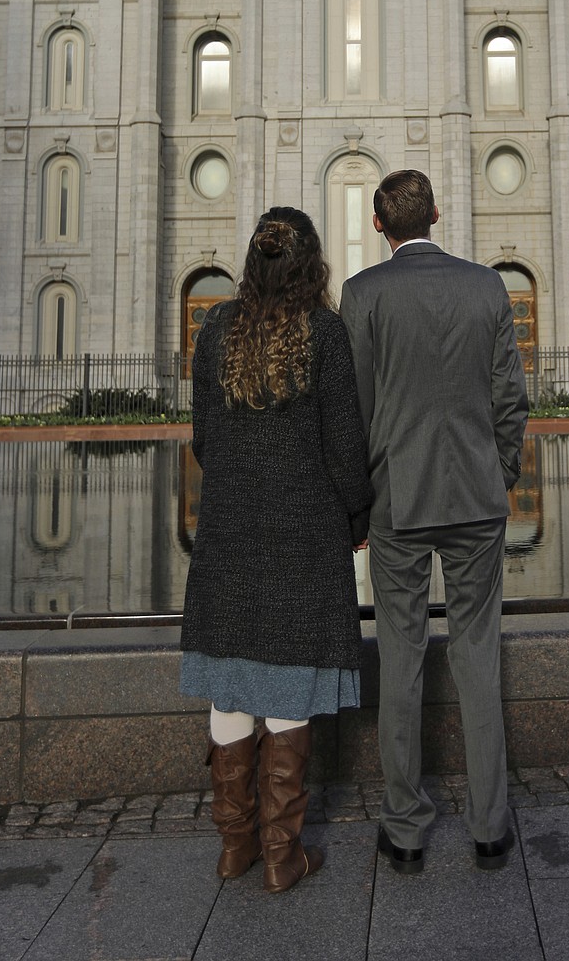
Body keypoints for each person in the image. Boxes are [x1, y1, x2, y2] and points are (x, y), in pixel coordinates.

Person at [340, 170, 529, 874]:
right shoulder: (487, 287)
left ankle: (407, 829)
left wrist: (361, 503)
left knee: (402, 656)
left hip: (399, 503)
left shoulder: (362, 295)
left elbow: (353, 414)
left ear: (380, 225)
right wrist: (498, 473)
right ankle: (489, 826)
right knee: (480, 656)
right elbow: (511, 399)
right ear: (438, 216)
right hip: (477, 501)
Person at [180, 206, 373, 893]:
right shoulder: (324, 332)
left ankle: (236, 846)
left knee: (231, 678)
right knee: (289, 677)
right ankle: (282, 853)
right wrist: (357, 516)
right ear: (311, 265)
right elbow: (347, 451)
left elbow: (203, 438)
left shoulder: (216, 330)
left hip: (230, 528)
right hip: (303, 533)